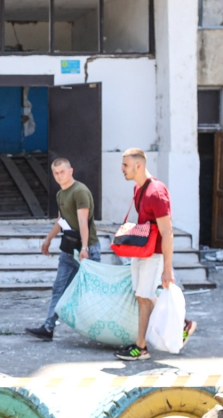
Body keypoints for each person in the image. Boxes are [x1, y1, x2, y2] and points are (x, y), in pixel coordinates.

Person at [114, 148, 196, 361]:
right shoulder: (138, 189)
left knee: (144, 297)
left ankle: (141, 347)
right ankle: (183, 323)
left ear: (138, 166)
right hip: (142, 250)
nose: (122, 169)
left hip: (155, 254)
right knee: (143, 296)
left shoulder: (156, 192)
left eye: (125, 165)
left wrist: (167, 269)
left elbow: (167, 232)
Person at [25, 158, 101, 341]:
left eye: (62, 172)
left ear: (71, 171)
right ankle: (48, 328)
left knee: (91, 291)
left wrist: (84, 248)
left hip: (87, 249)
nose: (59, 176)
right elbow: (61, 220)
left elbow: (83, 222)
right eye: (56, 173)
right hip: (69, 249)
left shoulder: (80, 191)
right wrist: (48, 239)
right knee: (59, 288)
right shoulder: (61, 194)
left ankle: (102, 329)